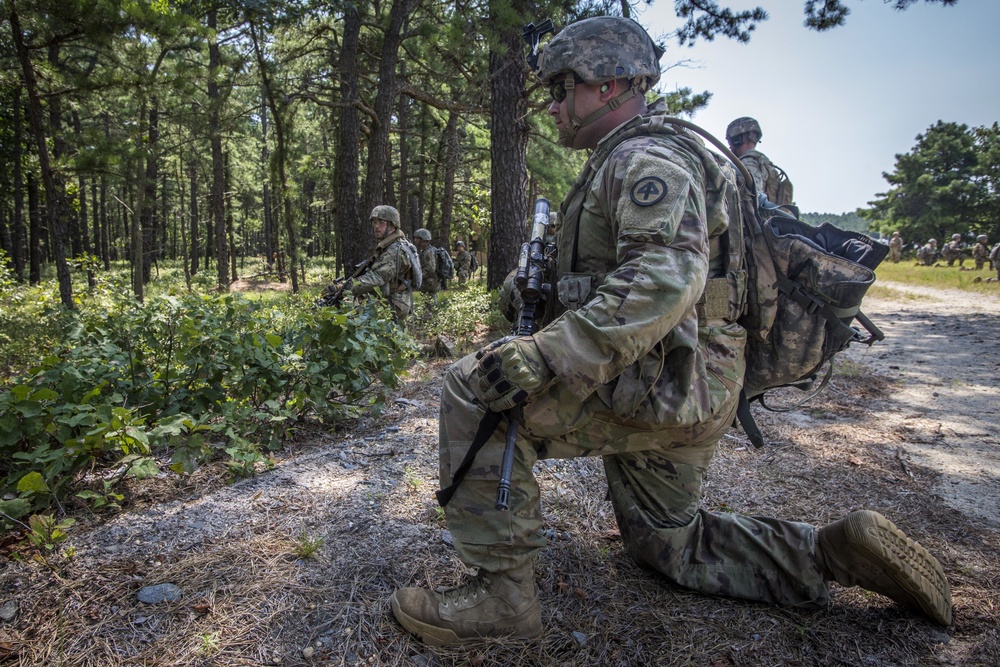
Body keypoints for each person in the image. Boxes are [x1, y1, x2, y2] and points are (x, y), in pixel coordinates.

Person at [389, 16, 952, 645]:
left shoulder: (642, 157)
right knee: (669, 542)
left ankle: (501, 599)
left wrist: (548, 355)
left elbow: (664, 276)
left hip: (656, 384)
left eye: (561, 88)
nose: (551, 106)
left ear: (609, 85)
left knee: (474, 390)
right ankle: (826, 554)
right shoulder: (651, 155)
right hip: (696, 389)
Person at [339, 205, 417, 322]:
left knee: (351, 313)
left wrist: (345, 287)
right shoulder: (389, 245)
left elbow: (376, 277)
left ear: (392, 225)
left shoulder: (394, 250)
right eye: (374, 222)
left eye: (381, 222)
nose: (376, 226)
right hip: (392, 299)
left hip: (395, 304)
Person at [725, 116, 794, 210]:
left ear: (737, 139)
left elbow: (753, 196)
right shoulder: (767, 165)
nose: (730, 147)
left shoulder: (748, 163)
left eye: (730, 141)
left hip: (754, 221)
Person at [413, 228, 440, 301]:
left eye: (417, 238)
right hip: (428, 282)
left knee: (430, 303)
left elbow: (430, 269)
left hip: (430, 282)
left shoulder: (428, 253)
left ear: (423, 240)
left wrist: (418, 276)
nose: (415, 240)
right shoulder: (425, 251)